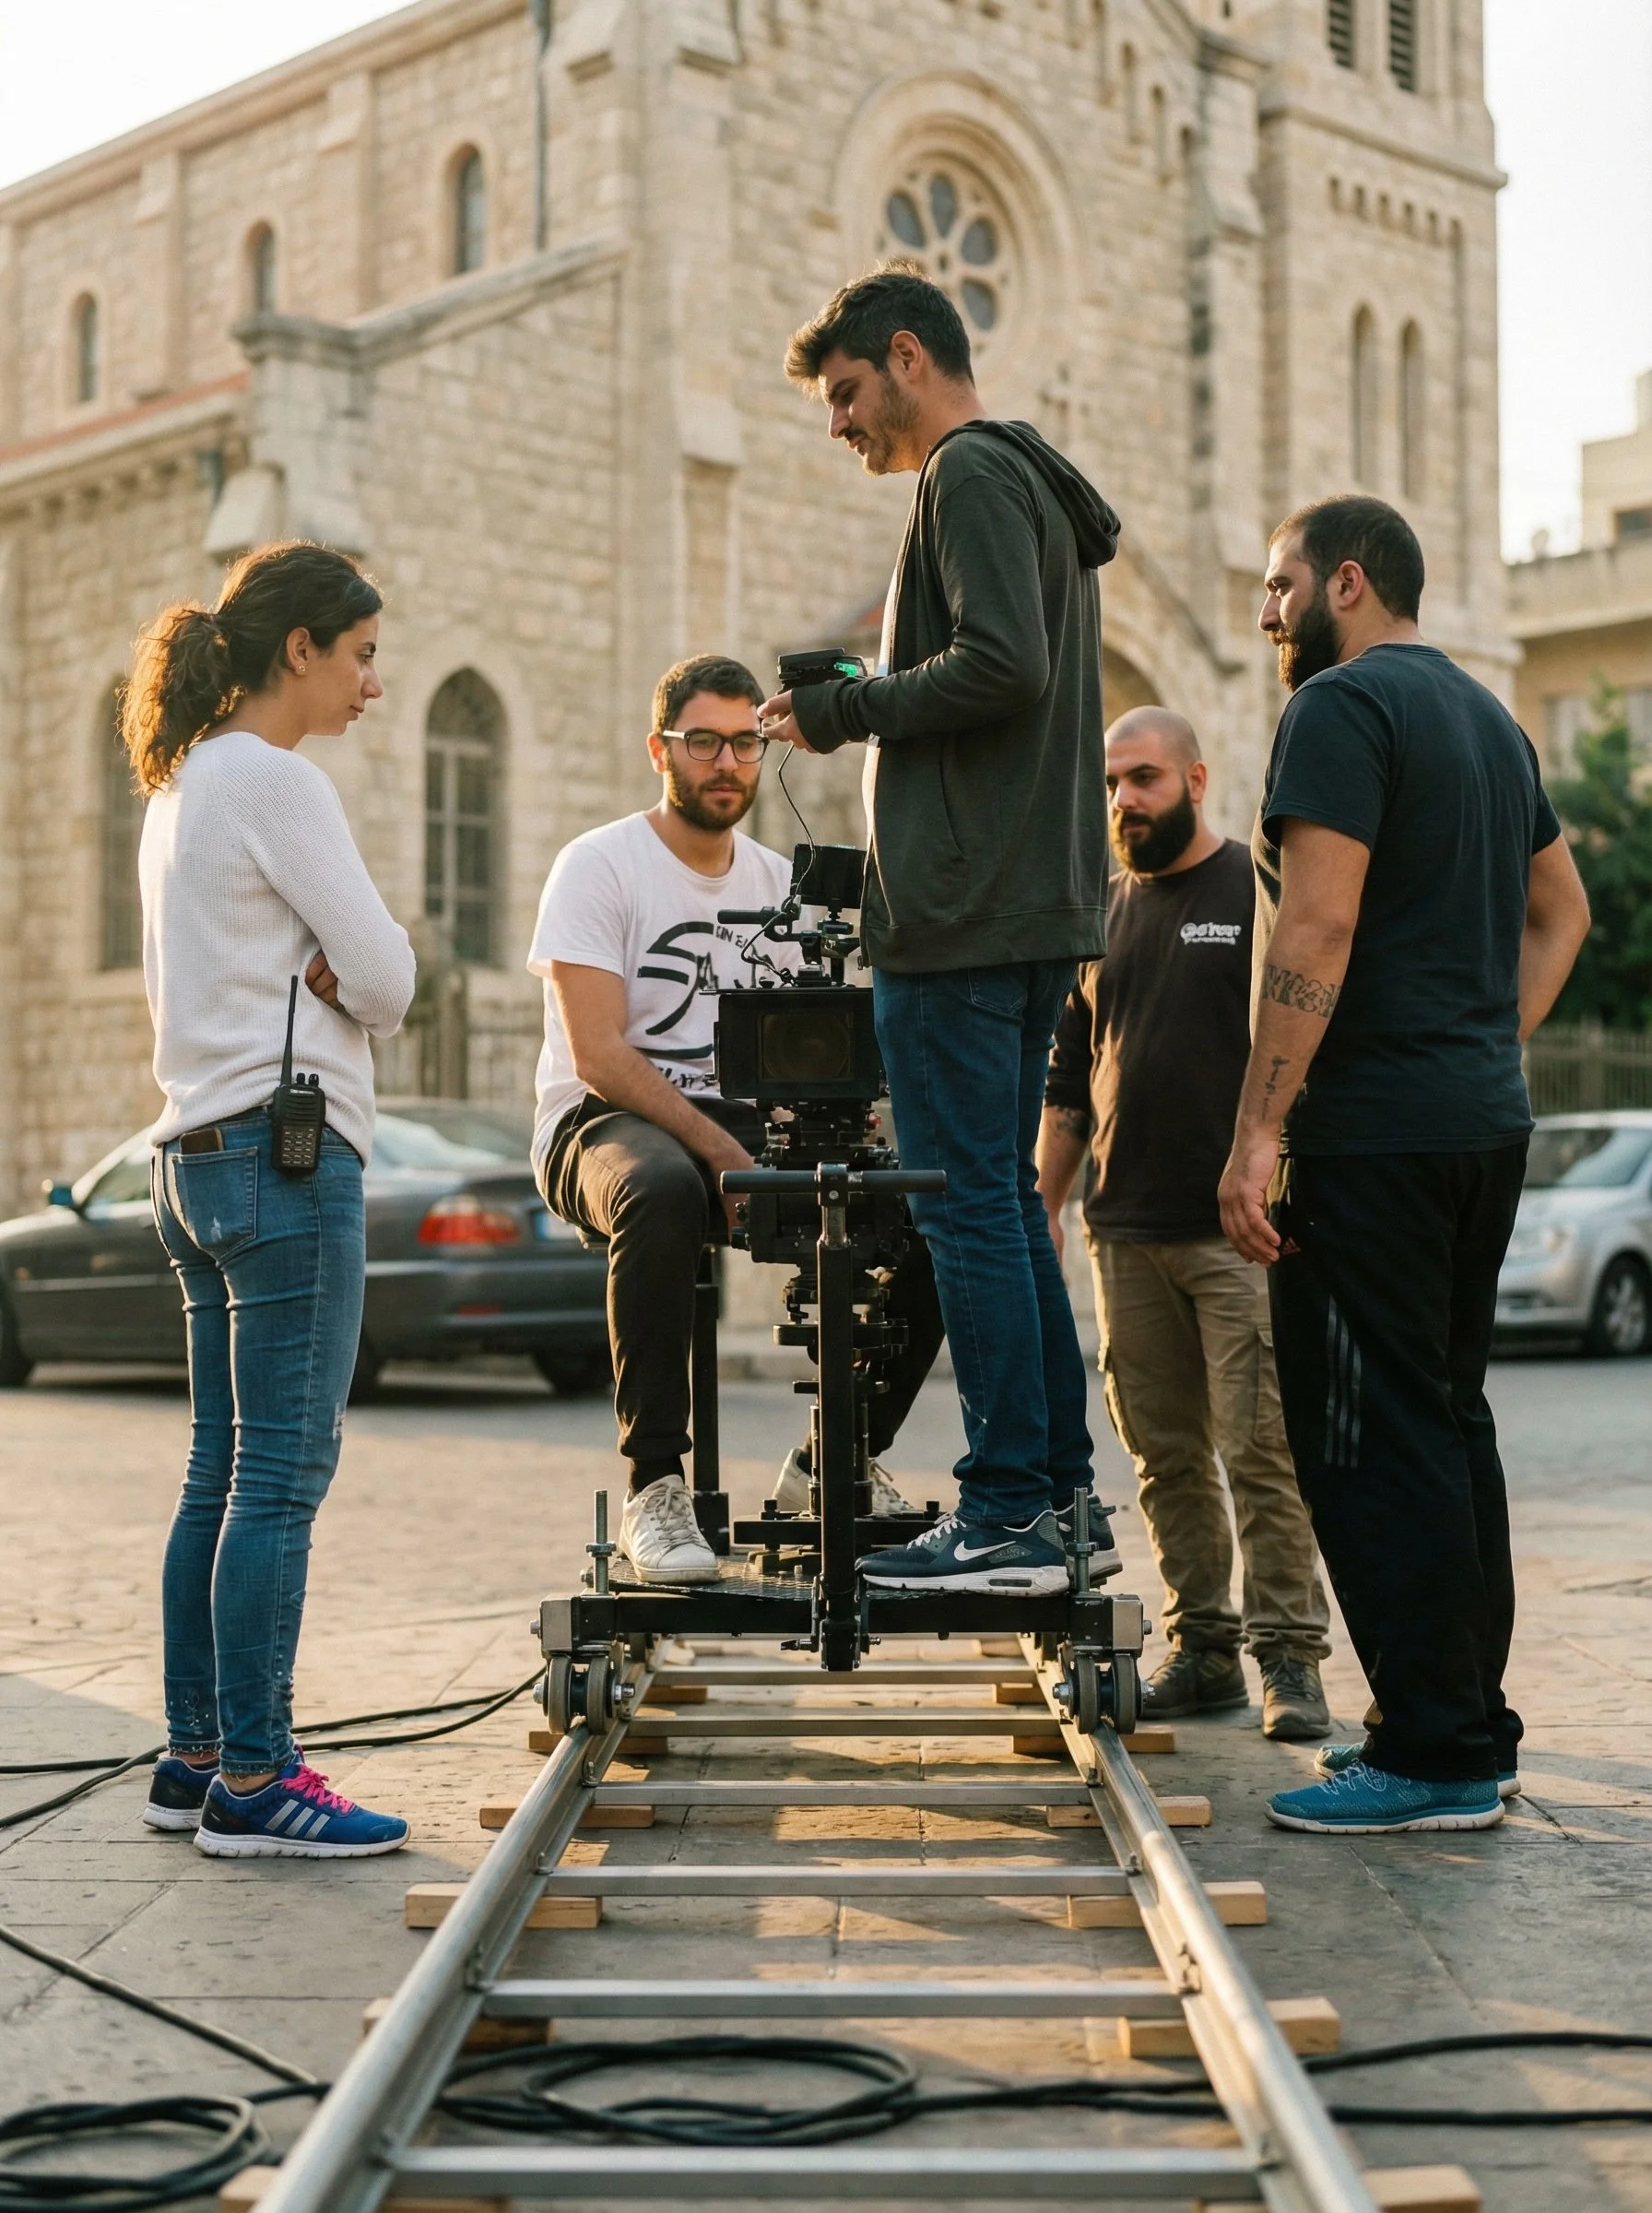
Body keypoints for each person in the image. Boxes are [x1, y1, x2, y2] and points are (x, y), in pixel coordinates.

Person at [1218, 494, 1590, 1836]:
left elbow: (1314, 925)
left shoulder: (1338, 709)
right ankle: (1464, 1735)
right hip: (1477, 1125)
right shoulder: (1491, 719)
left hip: (1376, 1136)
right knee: (1448, 1424)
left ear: (1350, 583)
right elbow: (1567, 910)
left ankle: (1432, 1757)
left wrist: (1260, 1129)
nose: (1265, 613)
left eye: (1280, 586)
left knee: (1366, 1441)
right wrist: (1479, 1041)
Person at [761, 263, 1122, 1596]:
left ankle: (1013, 1509)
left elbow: (1002, 664)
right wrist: (867, 697)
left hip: (966, 926)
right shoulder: (1022, 482)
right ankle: (1061, 1499)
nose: (839, 425)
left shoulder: (967, 474)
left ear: (908, 357)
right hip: (1020, 914)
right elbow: (1001, 670)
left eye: (847, 393)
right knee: (1009, 1211)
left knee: (973, 1213)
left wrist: (850, 710)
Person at [529, 653, 940, 1585]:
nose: (725, 763)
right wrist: (722, 1154)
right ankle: (655, 1489)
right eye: (702, 742)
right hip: (599, 1124)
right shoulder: (598, 864)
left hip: (741, 1126)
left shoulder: (780, 880)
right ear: (659, 750)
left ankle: (831, 1460)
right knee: (663, 1187)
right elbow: (598, 1054)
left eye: (744, 744)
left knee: (926, 1207)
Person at [131, 541, 417, 1859]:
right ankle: (256, 1779)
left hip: (191, 1152)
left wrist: (329, 975)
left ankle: (195, 1756)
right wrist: (351, 978)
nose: (372, 681)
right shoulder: (274, 780)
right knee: (281, 1477)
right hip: (286, 1157)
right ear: (298, 648)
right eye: (360, 654)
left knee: (218, 1469)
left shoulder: (182, 783)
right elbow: (389, 974)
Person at [1037, 709, 1332, 1738]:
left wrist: (1283, 1178)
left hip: (1235, 1230)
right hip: (1124, 1229)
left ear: (1196, 780)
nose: (1124, 800)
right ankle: (1202, 1648)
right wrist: (1046, 1203)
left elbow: (1306, 1039)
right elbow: (1070, 1075)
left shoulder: (1252, 894)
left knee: (1260, 1448)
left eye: (1144, 779)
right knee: (1163, 1455)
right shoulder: (1099, 909)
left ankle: (1289, 1659)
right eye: (1112, 783)